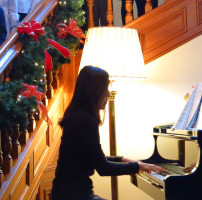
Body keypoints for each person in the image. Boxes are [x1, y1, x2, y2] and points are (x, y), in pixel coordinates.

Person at [51, 66, 165, 200]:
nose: (108, 93)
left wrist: (122, 159)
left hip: (69, 193)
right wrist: (138, 166)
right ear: (94, 91)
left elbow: (94, 158)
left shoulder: (78, 115)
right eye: (105, 88)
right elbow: (103, 168)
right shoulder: (84, 120)